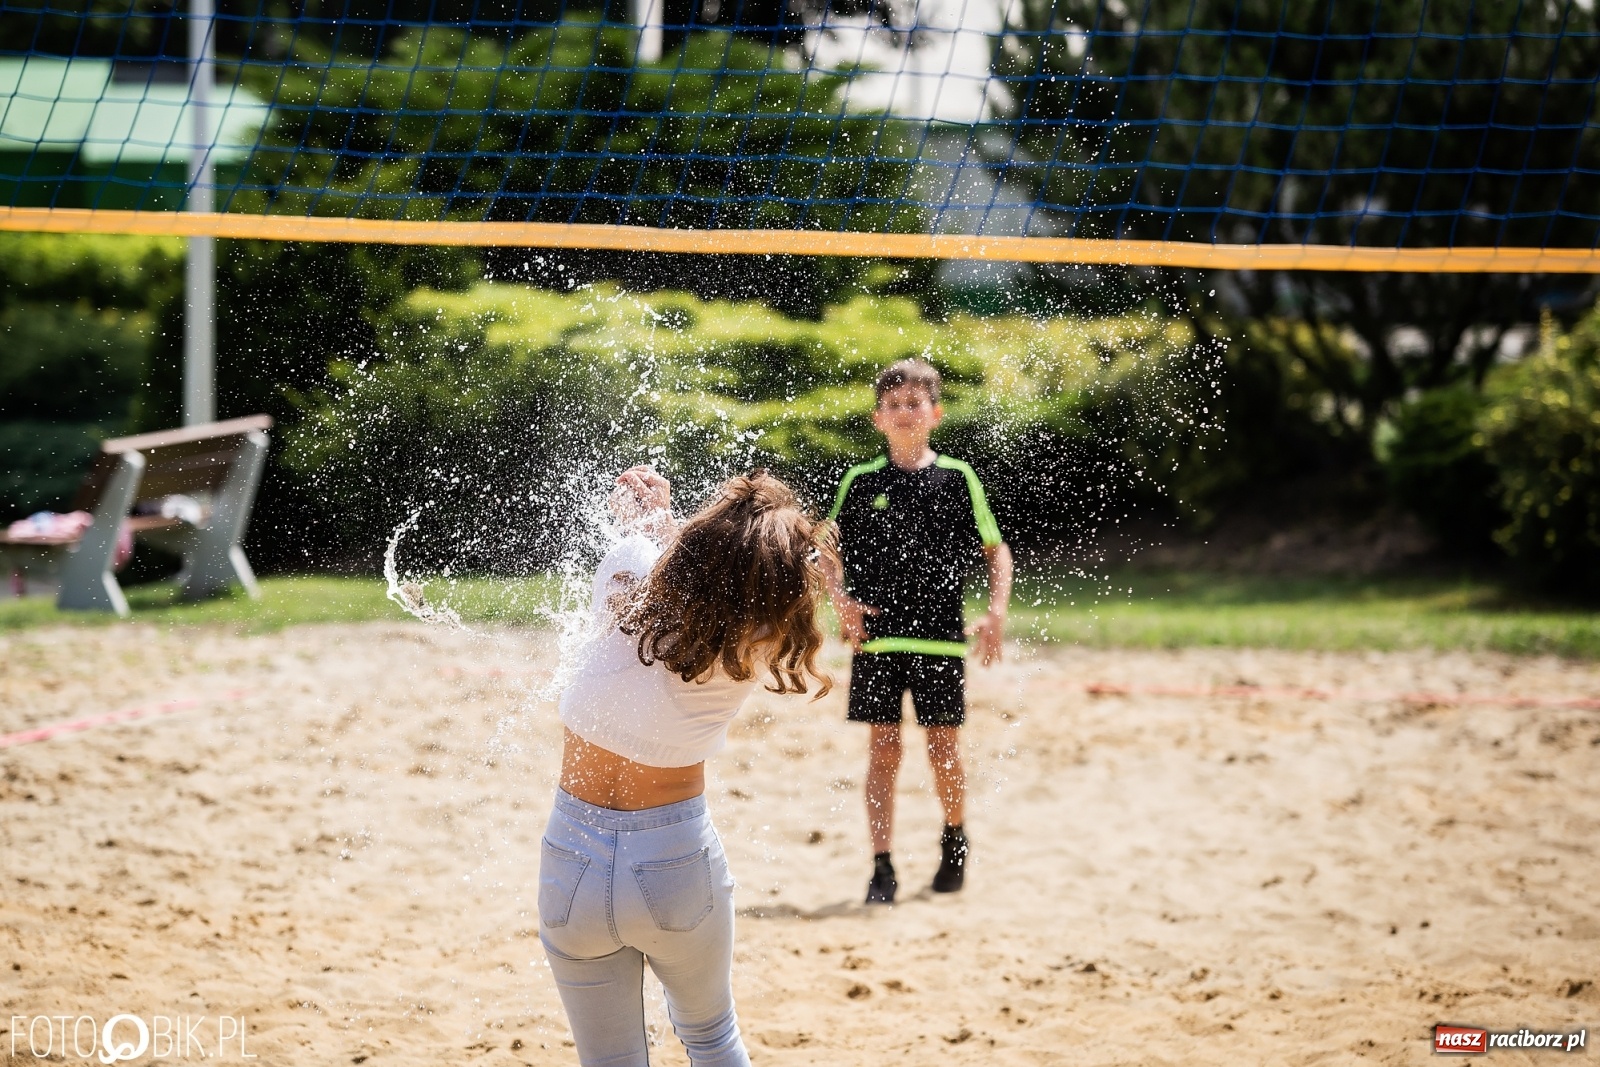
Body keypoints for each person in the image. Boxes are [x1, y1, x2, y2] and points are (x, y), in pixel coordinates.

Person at [539, 464, 833, 1067]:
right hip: (675, 860)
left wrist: (653, 522)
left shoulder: (627, 568)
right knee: (712, 1039)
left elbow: (665, 576)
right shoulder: (761, 639)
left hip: (572, 860)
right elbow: (723, 596)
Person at [822, 358, 1013, 905]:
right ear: (878, 419)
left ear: (935, 412)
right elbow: (825, 549)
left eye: (915, 403)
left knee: (942, 752)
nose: (905, 413)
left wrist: (996, 612)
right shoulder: (860, 482)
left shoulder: (958, 477)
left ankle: (955, 838)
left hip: (939, 640)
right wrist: (841, 601)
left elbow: (995, 549)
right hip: (877, 641)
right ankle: (882, 867)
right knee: (883, 754)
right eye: (894, 405)